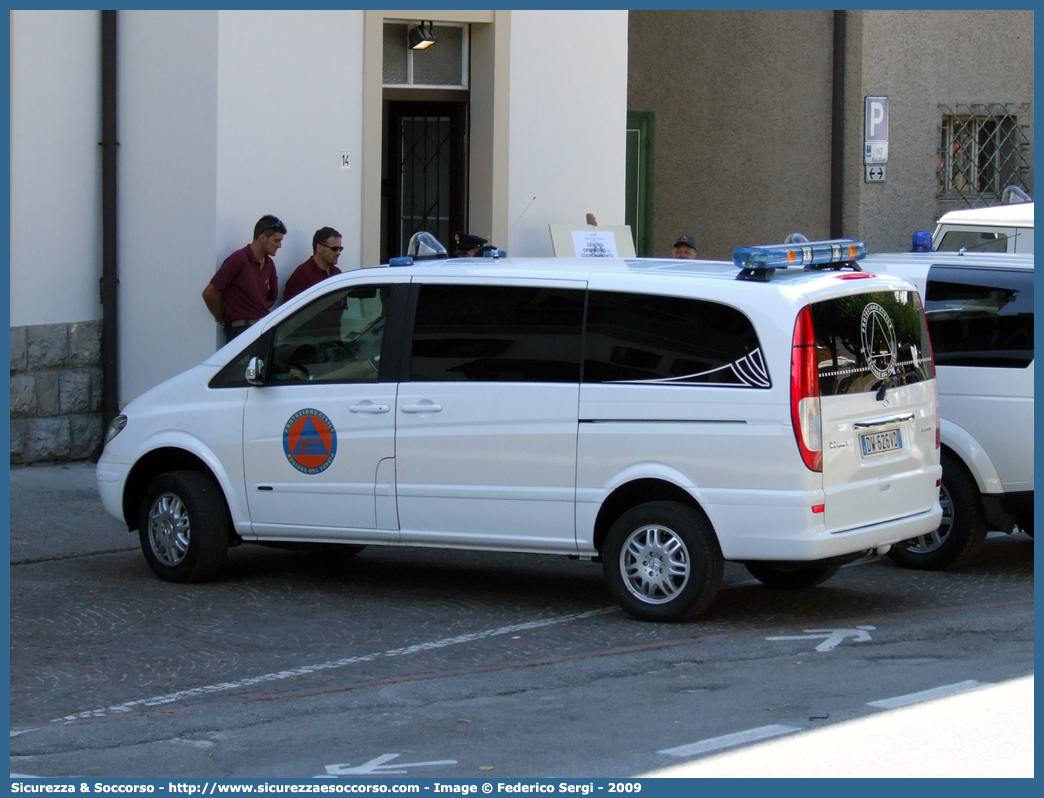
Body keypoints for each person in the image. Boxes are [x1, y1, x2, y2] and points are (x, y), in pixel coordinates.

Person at [203, 215, 286, 341]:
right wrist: (225, 321)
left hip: (263, 329)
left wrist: (255, 312)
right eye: (276, 240)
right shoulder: (238, 260)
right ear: (262, 237)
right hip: (240, 331)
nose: (279, 245)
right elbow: (209, 293)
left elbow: (271, 299)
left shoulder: (269, 265)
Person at [283, 227, 344, 302]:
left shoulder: (337, 273)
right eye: (334, 249)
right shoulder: (302, 275)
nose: (338, 253)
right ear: (319, 248)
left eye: (340, 249)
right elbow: (290, 308)